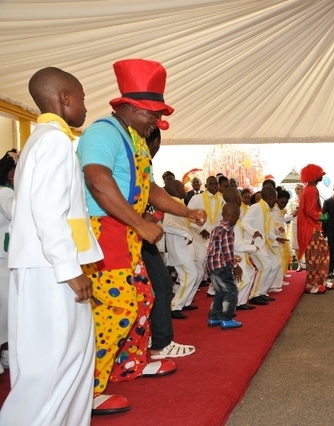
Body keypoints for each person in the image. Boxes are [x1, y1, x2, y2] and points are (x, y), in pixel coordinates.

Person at [77, 59, 206, 414]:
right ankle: (88, 389)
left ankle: (127, 365)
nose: (156, 121)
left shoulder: (133, 138)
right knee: (116, 309)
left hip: (126, 233)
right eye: (152, 113)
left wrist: (185, 210)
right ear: (132, 107)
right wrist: (139, 223)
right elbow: (97, 180)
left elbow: (147, 189)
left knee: (144, 300)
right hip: (106, 232)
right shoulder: (102, 133)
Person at [0, 67, 103, 425]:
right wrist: (70, 269)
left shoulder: (41, 138)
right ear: (65, 99)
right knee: (54, 367)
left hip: (44, 266)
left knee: (64, 362)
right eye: (84, 99)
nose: (87, 107)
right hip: (51, 270)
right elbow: (48, 210)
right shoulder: (55, 141)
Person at [142, 129, 195, 358]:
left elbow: (153, 192)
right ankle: (156, 344)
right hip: (131, 230)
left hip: (139, 229)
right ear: (152, 140)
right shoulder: (137, 154)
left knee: (161, 283)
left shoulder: (142, 159)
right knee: (159, 284)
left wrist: (188, 212)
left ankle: (156, 342)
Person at [163, 180, 199, 320]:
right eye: (183, 187)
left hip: (185, 248)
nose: (185, 189)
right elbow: (167, 225)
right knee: (190, 275)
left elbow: (182, 224)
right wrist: (187, 234)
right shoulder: (172, 203)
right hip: (179, 248)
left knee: (196, 274)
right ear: (177, 189)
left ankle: (185, 302)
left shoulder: (177, 202)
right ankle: (174, 306)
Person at [242, 185, 283, 303]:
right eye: (275, 198)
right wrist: (253, 231)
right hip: (253, 244)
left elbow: (266, 231)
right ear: (271, 197)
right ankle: (254, 295)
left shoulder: (266, 210)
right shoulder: (256, 207)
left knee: (274, 265)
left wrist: (276, 238)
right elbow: (244, 223)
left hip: (262, 245)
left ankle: (262, 292)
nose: (276, 201)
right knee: (265, 266)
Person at [206, 202, 243, 330]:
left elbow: (212, 249)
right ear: (223, 215)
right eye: (229, 215)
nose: (232, 218)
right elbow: (226, 252)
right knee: (231, 291)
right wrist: (235, 265)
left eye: (235, 216)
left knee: (220, 292)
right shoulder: (227, 231)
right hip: (221, 267)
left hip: (212, 266)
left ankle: (213, 317)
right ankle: (226, 318)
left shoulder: (217, 229)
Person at [188, 175, 224, 299]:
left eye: (216, 184)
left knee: (216, 265)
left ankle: (213, 289)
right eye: (211, 184)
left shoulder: (221, 199)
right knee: (199, 268)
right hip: (200, 238)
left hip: (215, 238)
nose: (214, 186)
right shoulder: (196, 198)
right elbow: (189, 215)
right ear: (206, 185)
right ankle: (188, 295)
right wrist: (200, 229)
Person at [298, 164, 330, 294]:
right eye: (320, 174)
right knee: (315, 256)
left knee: (321, 253)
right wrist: (322, 216)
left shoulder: (309, 189)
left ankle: (320, 281)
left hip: (312, 227)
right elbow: (310, 210)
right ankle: (312, 284)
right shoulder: (311, 189)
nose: (322, 176)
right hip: (311, 228)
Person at [0, 150, 17, 374]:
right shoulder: (4, 193)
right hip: (3, 261)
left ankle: (7, 353)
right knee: (5, 312)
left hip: (8, 260)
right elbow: (17, 211)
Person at [290, 183, 304, 271]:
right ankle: (299, 264)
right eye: (295, 189)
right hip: (295, 223)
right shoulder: (292, 202)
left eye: (298, 188)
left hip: (304, 224)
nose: (296, 190)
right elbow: (288, 213)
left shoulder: (306, 200)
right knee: (296, 245)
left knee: (304, 243)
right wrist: (294, 212)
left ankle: (306, 262)